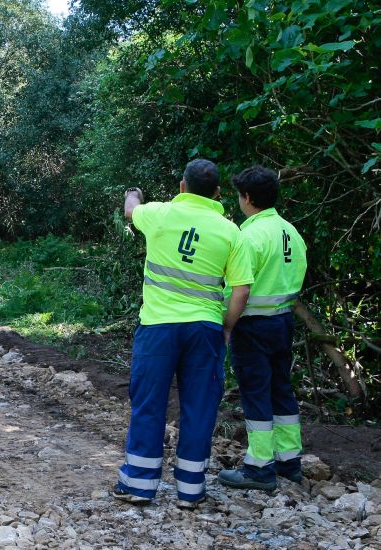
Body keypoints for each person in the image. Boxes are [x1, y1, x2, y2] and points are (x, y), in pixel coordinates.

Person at [114, 159, 253, 509]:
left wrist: (133, 194)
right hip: (204, 330)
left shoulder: (159, 214)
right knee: (199, 407)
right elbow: (240, 290)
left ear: (181, 186)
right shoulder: (230, 232)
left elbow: (131, 211)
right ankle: (190, 491)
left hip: (158, 328)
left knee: (148, 404)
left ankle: (139, 485)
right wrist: (226, 326)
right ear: (218, 192)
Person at [218, 165, 307, 491]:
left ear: (247, 198)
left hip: (253, 325)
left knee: (255, 393)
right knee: (282, 390)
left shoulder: (249, 236)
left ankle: (259, 467)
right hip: (283, 322)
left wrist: (227, 324)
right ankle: (289, 463)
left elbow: (236, 289)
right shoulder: (291, 232)